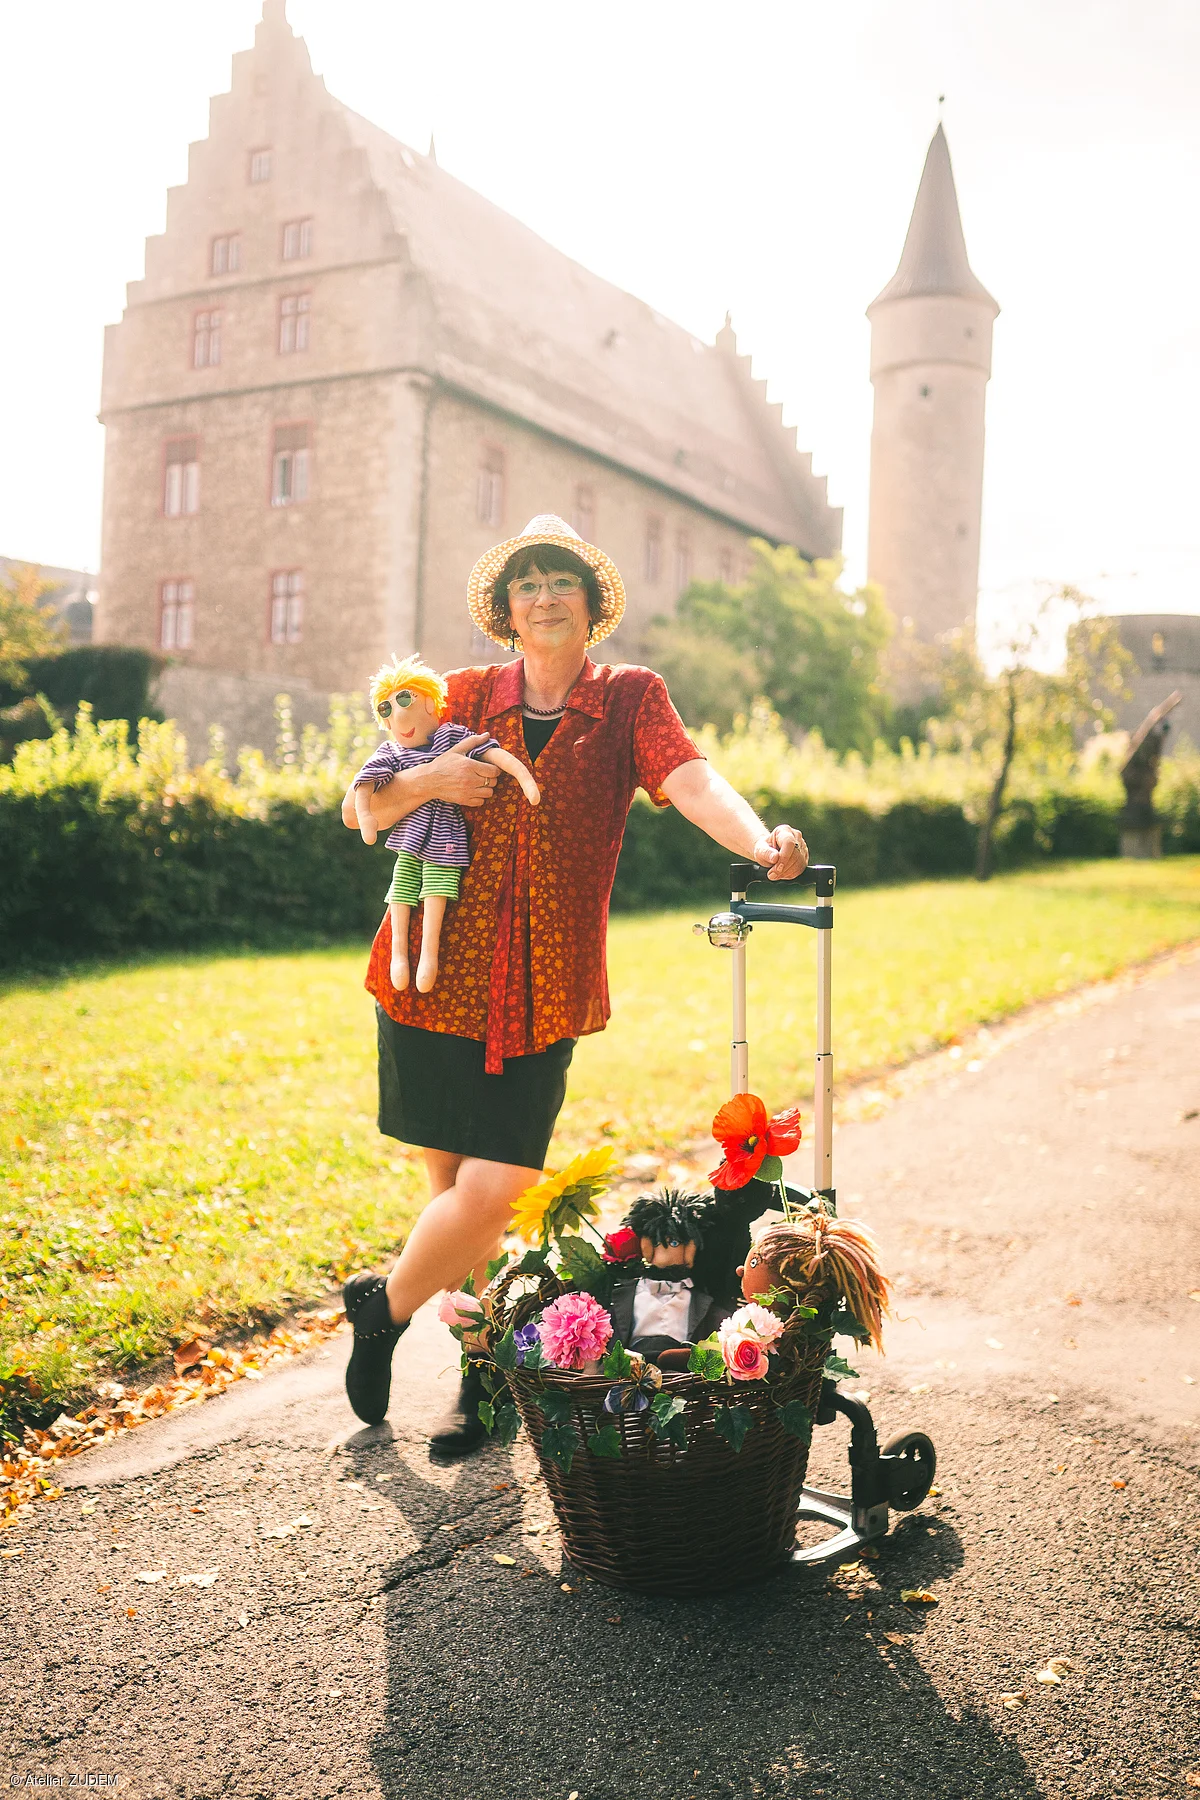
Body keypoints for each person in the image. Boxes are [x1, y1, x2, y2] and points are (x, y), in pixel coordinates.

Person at [340, 513, 809, 1454]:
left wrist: (763, 843)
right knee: (453, 1192)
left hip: (545, 982)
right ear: (505, 609)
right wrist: (436, 782)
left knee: (499, 1186)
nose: (545, 596)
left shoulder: (632, 699)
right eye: (528, 584)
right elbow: (364, 806)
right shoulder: (461, 693)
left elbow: (693, 780)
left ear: (592, 606)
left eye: (563, 582)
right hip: (434, 971)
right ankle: (478, 1384)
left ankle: (381, 1309)